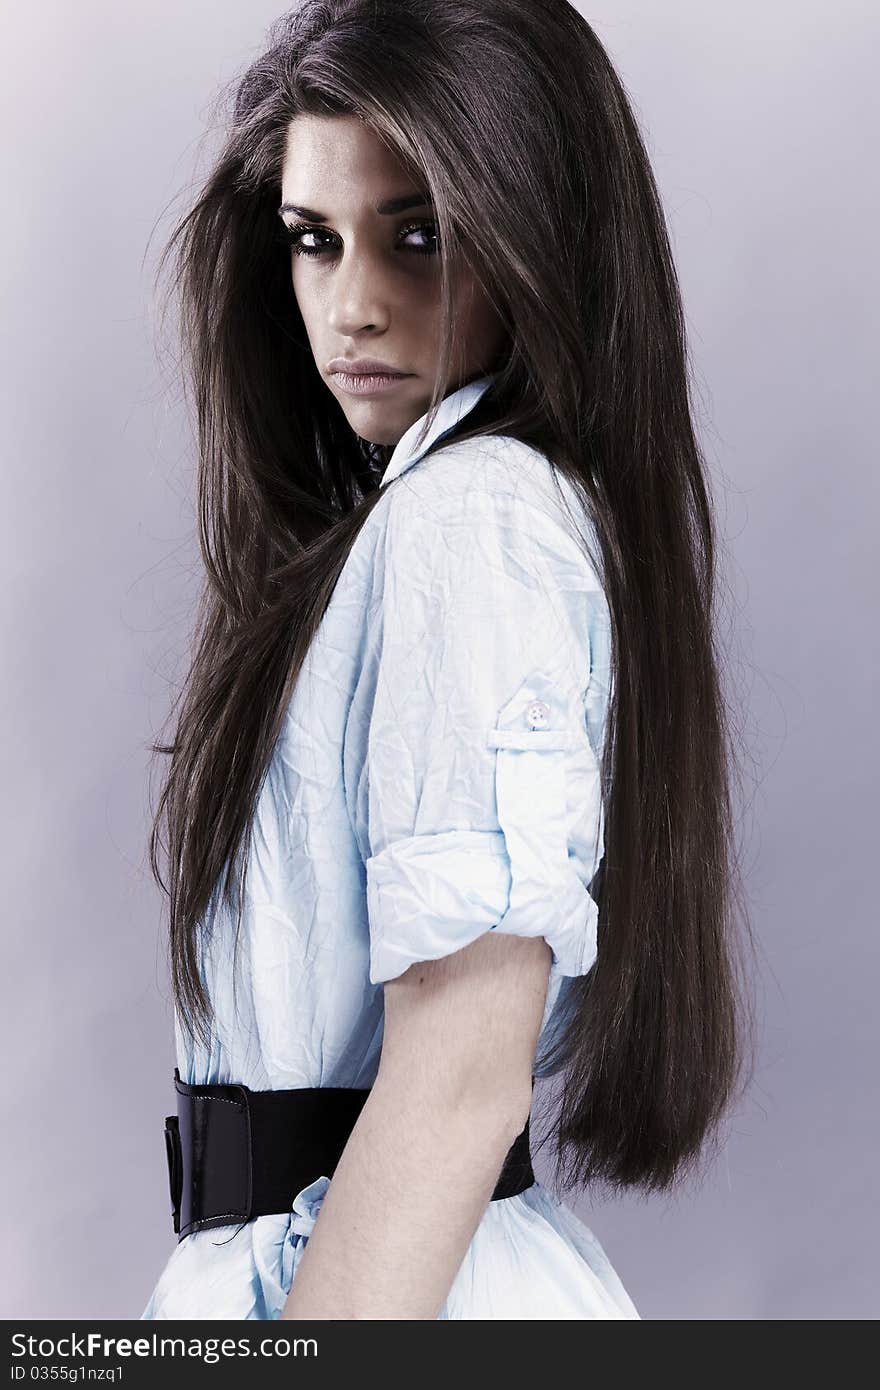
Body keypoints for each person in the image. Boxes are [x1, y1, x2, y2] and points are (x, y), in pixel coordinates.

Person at [140, 0, 753, 1321]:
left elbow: (463, 1073)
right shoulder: (434, 525)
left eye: (415, 236)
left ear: (531, 231)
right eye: (314, 241)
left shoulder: (472, 521)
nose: (351, 303)